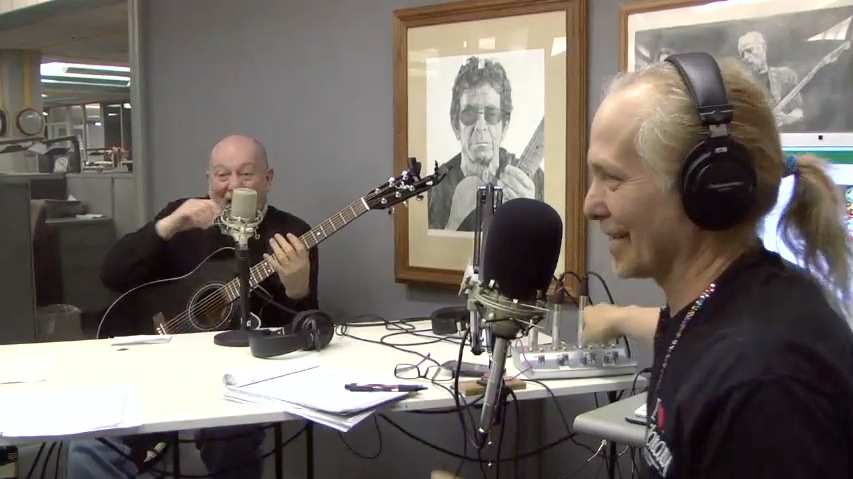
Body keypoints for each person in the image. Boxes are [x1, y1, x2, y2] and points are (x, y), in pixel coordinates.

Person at [580, 53, 853, 478]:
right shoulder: (724, 306)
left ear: (707, 186)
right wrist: (617, 317)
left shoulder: (765, 387)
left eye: (611, 178)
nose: (590, 205)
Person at [66, 134, 319, 479]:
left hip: (241, 379)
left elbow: (307, 333)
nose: (233, 185)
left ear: (268, 178)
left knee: (230, 441)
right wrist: (167, 226)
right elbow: (112, 274)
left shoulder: (291, 234)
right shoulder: (184, 215)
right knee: (89, 447)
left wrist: (298, 290)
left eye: (246, 174)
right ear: (209, 179)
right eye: (222, 174)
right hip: (162, 368)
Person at [427, 56, 545, 232]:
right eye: (469, 115)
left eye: (491, 115)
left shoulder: (534, 181)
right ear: (456, 126)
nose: (480, 127)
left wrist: (532, 214)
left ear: (504, 126)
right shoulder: (436, 188)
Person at [737, 31, 805, 129]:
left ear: (763, 48)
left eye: (750, 50)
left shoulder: (785, 75)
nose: (746, 57)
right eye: (742, 55)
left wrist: (788, 118)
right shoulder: (742, 84)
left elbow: (799, 110)